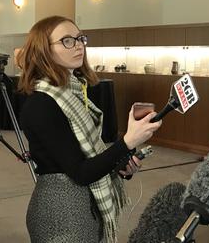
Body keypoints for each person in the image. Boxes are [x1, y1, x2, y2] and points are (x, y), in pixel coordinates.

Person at [17, 16, 161, 243]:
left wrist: (119, 165)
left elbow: (88, 160)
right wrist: (127, 142)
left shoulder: (72, 94)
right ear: (43, 50)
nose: (79, 45)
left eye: (80, 38)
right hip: (61, 213)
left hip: (85, 207)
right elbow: (81, 172)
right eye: (67, 41)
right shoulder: (41, 104)